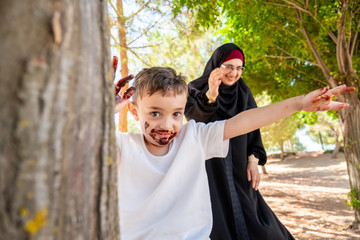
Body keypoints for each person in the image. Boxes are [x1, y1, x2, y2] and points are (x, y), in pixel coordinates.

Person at [114, 66, 354, 240]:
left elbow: (246, 120)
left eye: (176, 114)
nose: (167, 125)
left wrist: (299, 103)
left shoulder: (194, 138)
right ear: (134, 112)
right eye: (155, 113)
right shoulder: (119, 146)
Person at [184, 42, 293, 239]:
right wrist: (211, 95)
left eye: (239, 68)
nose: (234, 73)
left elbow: (254, 127)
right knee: (217, 217)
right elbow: (194, 123)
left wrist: (253, 160)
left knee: (256, 219)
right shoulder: (194, 89)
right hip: (209, 168)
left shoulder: (243, 92)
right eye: (228, 66)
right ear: (217, 65)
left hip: (239, 165)